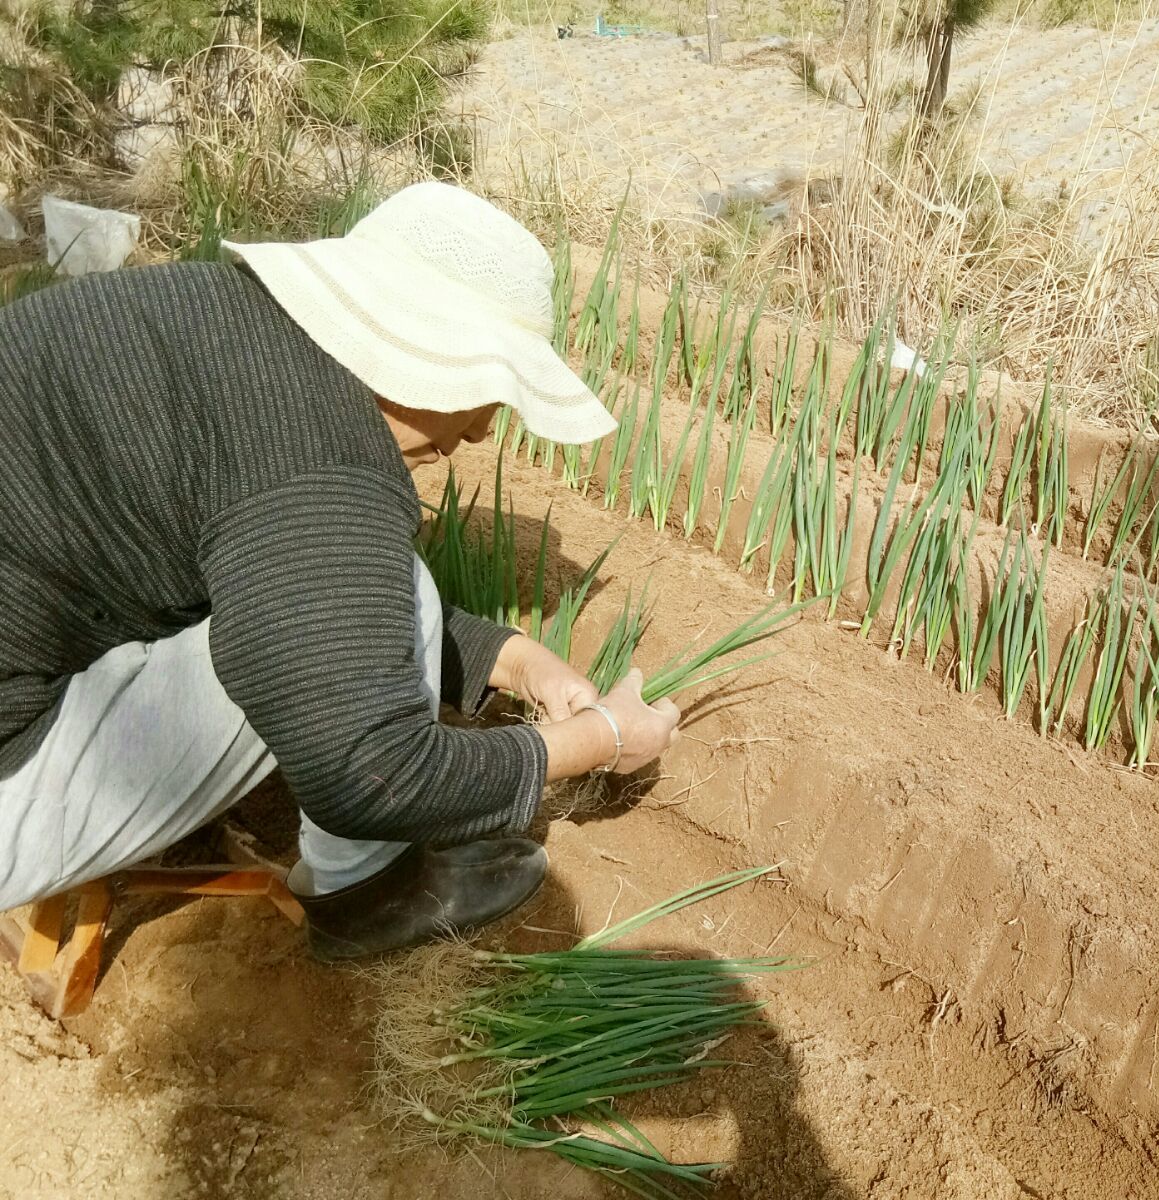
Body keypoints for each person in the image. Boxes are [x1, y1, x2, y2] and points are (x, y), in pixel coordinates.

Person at [0, 181, 680, 959]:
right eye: (490, 393)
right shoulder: (317, 462)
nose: (486, 432)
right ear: (429, 363)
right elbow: (375, 774)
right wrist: (602, 737)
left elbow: (299, 579)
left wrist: (511, 660)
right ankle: (369, 894)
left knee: (373, 592)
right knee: (394, 594)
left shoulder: (200, 323)